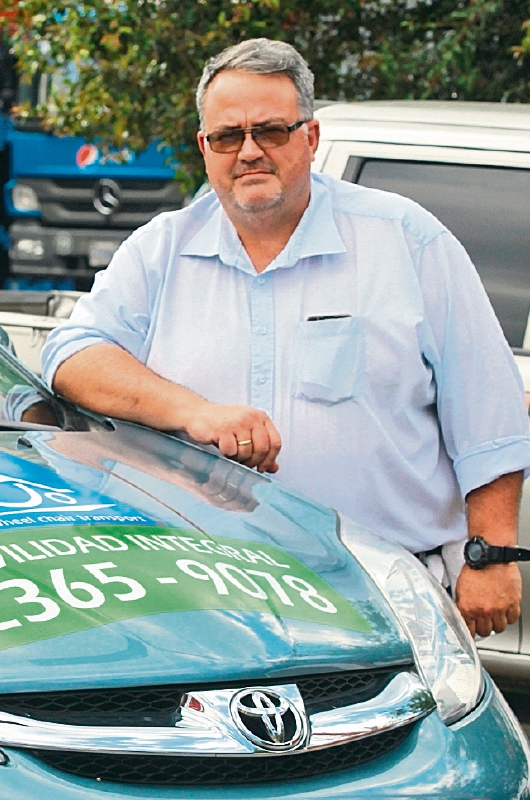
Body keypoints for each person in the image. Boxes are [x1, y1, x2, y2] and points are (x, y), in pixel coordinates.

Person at [41, 38, 530, 639]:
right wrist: (196, 413)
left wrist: (493, 557)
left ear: (310, 137)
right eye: (228, 136)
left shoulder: (406, 241)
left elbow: (490, 415)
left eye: (270, 131)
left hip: (385, 589)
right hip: (204, 595)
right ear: (205, 149)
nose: (249, 151)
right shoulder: (161, 249)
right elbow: (71, 356)